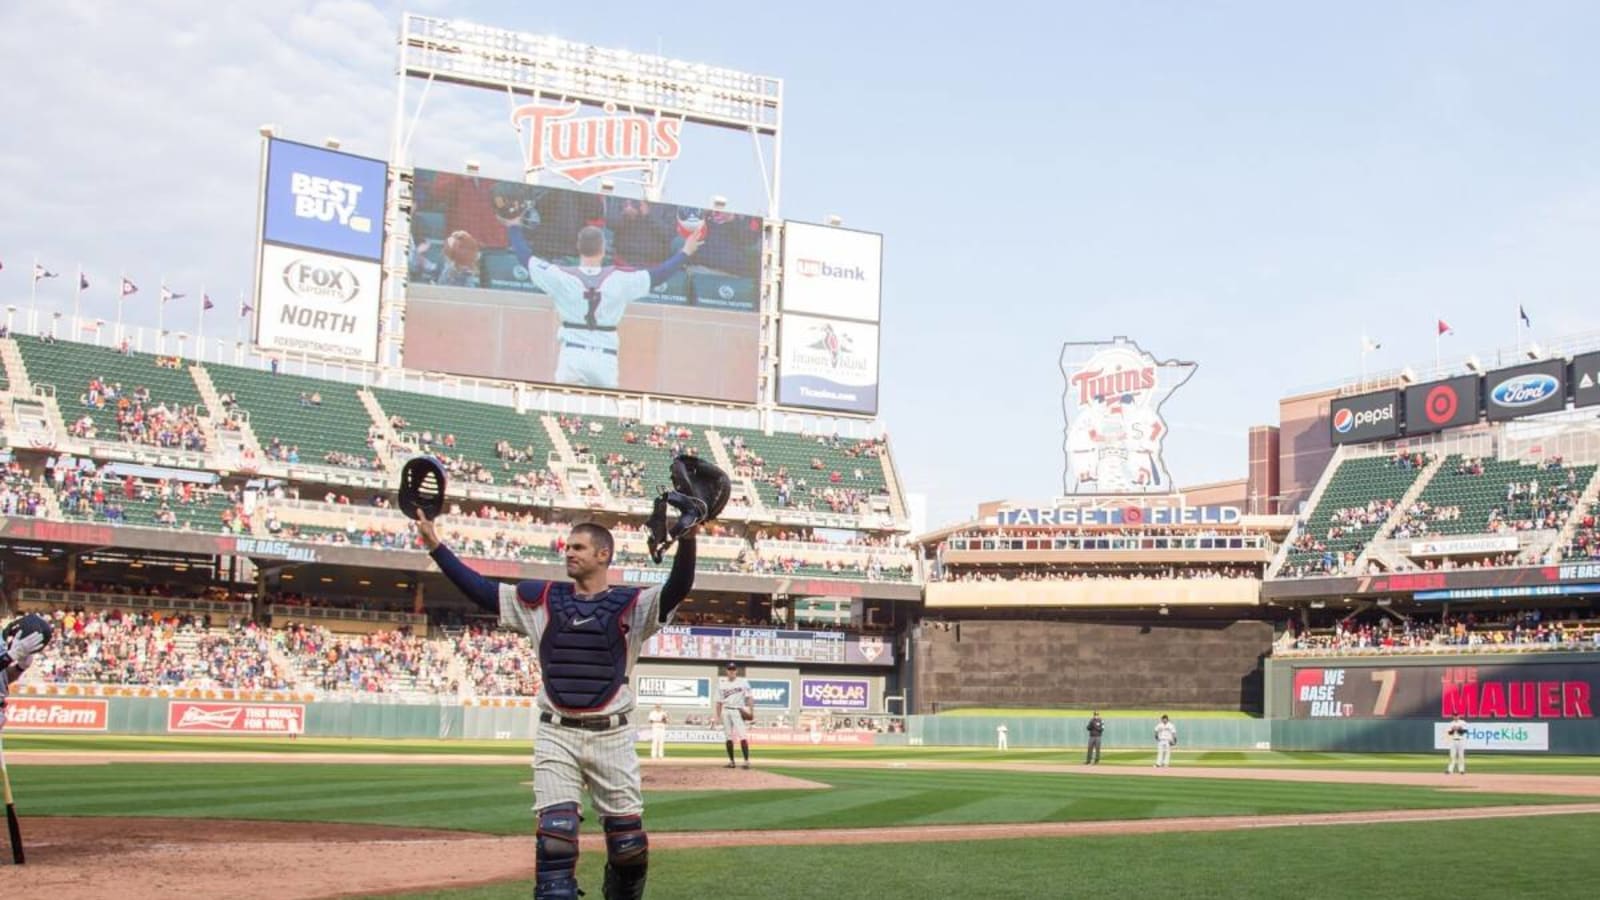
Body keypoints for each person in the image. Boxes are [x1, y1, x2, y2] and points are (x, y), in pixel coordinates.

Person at [414, 512, 698, 900]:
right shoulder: (542, 600)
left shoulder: (631, 604)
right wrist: (436, 547)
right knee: (555, 840)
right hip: (556, 731)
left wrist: (689, 538)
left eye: (578, 547)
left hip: (611, 734)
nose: (569, 553)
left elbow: (678, 586)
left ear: (603, 554)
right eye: (567, 547)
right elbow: (480, 589)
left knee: (628, 847)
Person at [514, 222, 704, 389]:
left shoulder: (561, 276)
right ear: (603, 250)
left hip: (572, 354)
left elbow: (526, 259)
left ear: (578, 248)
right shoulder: (620, 279)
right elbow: (658, 274)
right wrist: (684, 252)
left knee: (563, 410)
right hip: (605, 357)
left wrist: (513, 226)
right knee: (605, 418)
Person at [715, 661, 754, 769]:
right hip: (725, 711)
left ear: (736, 671)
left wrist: (751, 712)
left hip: (738, 710)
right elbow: (718, 702)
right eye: (729, 669)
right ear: (727, 671)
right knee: (728, 737)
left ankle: (746, 761)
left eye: (733, 669)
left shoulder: (743, 682)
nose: (731, 671)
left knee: (743, 736)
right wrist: (718, 717)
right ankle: (732, 762)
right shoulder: (721, 683)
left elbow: (749, 697)